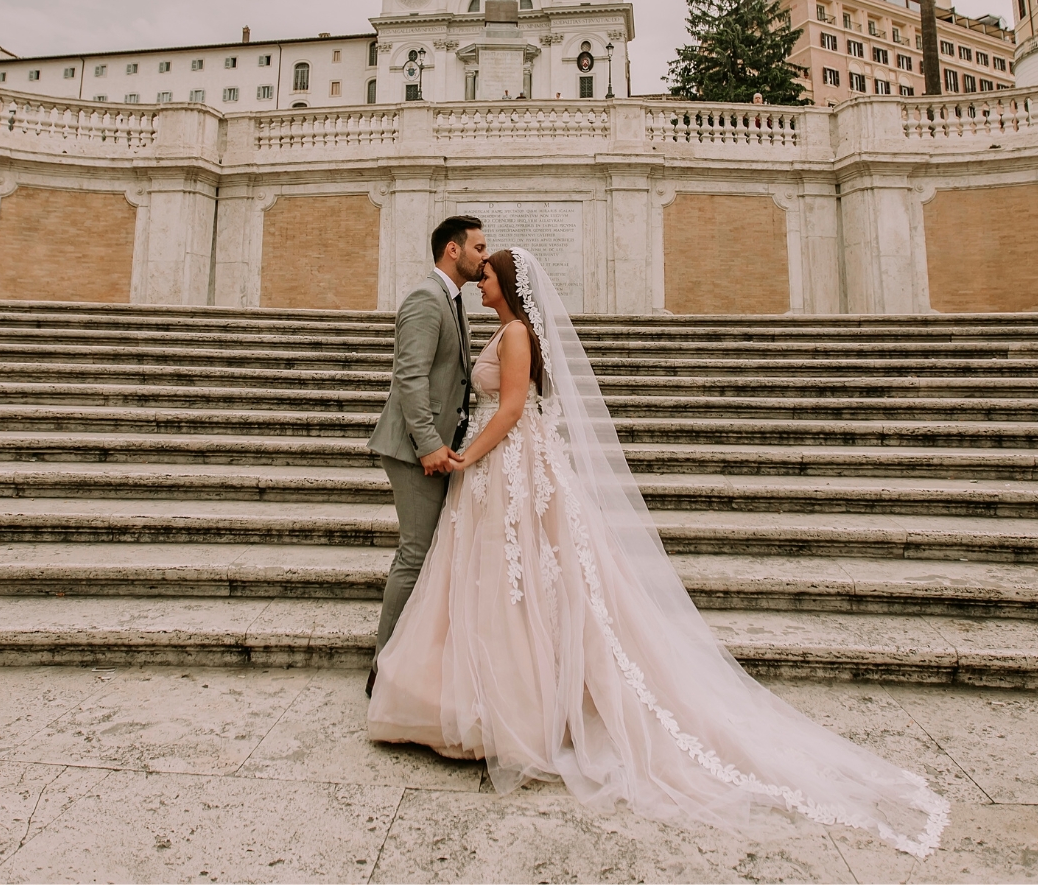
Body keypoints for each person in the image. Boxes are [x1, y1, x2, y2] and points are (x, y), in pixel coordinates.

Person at [368, 247, 949, 858]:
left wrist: (467, 456)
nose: (478, 282)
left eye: (485, 276)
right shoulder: (511, 328)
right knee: (508, 586)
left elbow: (511, 408)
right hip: (502, 474)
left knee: (520, 585)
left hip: (506, 468)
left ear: (506, 284)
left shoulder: (514, 333)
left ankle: (511, 707)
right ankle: (484, 699)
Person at [364, 214, 487, 697]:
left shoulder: (453, 301)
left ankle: (411, 660)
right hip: (415, 450)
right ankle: (383, 668)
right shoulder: (425, 298)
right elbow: (408, 377)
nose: (484, 254)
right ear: (452, 251)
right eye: (478, 247)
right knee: (414, 555)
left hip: (440, 446)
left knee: (427, 554)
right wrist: (429, 445)